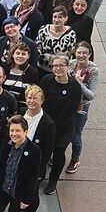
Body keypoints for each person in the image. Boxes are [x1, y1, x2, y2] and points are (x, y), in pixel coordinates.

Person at [39, 54, 82, 195]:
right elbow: (41, 101)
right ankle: (40, 175)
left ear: (68, 67)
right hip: (45, 124)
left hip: (63, 128)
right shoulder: (46, 80)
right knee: (42, 152)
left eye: (61, 65)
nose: (58, 68)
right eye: (55, 65)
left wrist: (53, 126)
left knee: (58, 154)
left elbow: (70, 111)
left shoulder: (74, 87)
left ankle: (53, 181)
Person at [21, 84, 55, 212]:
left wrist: (39, 171)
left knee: (31, 195)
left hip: (34, 166)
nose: (31, 100)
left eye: (35, 98)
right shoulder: (21, 114)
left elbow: (47, 150)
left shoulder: (48, 123)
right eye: (29, 97)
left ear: (42, 100)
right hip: (18, 161)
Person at [66, 41, 99, 174]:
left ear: (89, 54)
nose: (81, 55)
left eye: (85, 53)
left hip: (81, 106)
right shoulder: (71, 64)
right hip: (67, 102)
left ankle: (75, 159)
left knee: (76, 134)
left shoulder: (93, 71)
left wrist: (79, 82)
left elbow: (91, 95)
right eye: (79, 52)